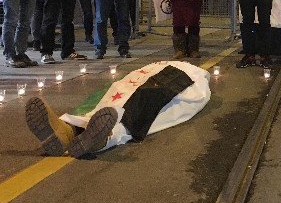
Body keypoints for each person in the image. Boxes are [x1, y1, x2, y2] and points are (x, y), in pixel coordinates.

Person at [24, 60, 210, 158]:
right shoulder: (200, 79)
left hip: (150, 77)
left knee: (120, 99)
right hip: (163, 79)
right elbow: (192, 101)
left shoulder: (194, 74)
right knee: (142, 106)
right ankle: (77, 133)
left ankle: (76, 131)